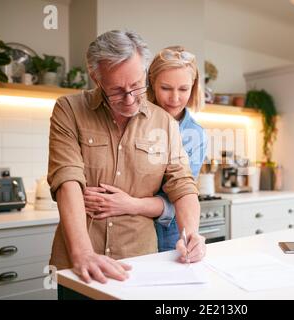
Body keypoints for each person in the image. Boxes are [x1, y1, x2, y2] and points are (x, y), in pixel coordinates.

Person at [47, 30, 206, 289]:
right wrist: (83, 253)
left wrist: (191, 234)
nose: (130, 99)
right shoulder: (69, 110)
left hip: (140, 263)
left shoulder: (164, 122)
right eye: (117, 91)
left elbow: (183, 184)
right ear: (96, 78)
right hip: (79, 263)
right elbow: (67, 179)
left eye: (136, 86)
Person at [84, 46, 207, 252]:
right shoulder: (127, 114)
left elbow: (177, 198)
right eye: (166, 88)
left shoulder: (195, 135)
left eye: (183, 89)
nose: (175, 98)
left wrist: (130, 203)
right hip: (121, 235)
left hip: (169, 237)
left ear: (193, 87)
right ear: (150, 82)